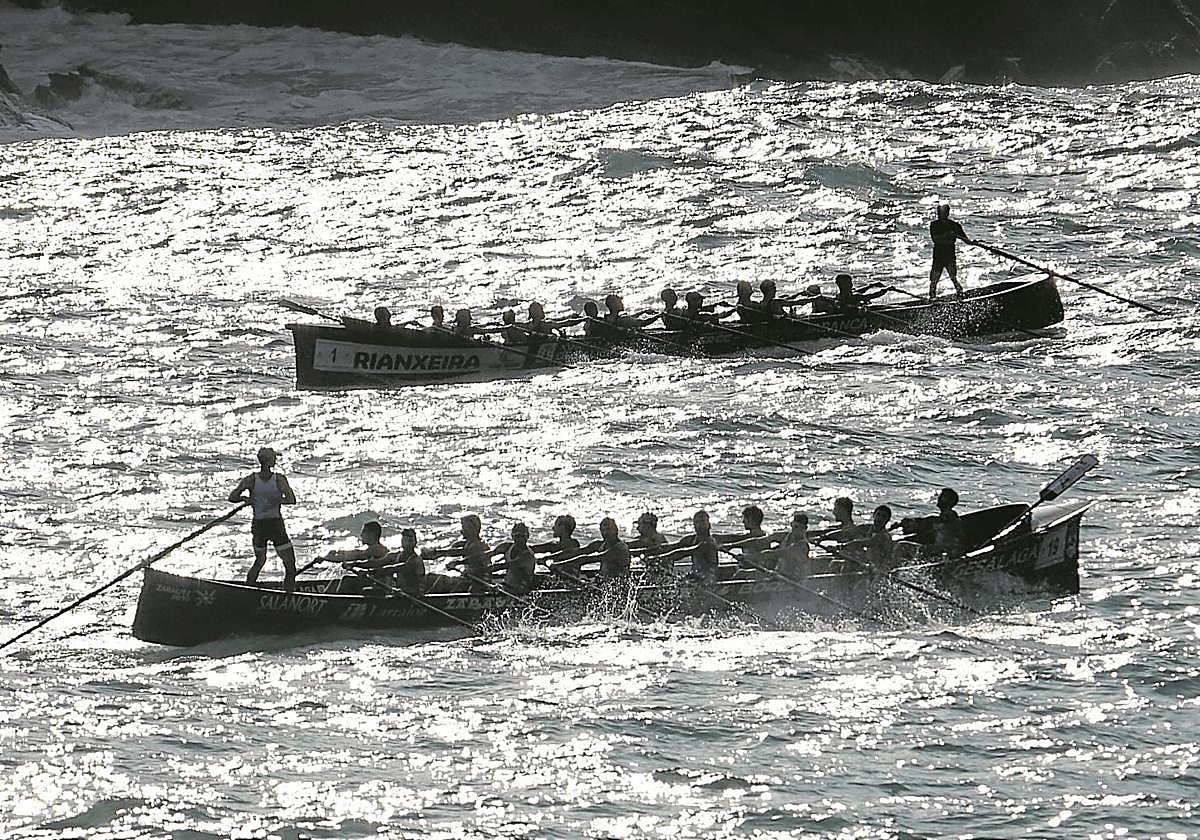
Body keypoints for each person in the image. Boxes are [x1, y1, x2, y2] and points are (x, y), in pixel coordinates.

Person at [228, 446, 298, 593]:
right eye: (274, 458)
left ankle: (247, 591)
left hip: (259, 525)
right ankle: (289, 596)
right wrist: (278, 500)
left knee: (260, 561)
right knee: (290, 565)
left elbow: (232, 497)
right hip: (275, 526)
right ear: (271, 461)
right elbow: (291, 500)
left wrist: (246, 499)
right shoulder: (279, 479)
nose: (276, 460)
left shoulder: (250, 480)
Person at [654, 510, 721, 584]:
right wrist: (655, 554)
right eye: (697, 522)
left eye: (702, 521)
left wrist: (662, 558)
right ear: (694, 526)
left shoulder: (707, 543)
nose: (699, 525)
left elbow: (683, 553)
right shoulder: (690, 539)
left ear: (709, 525)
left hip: (708, 580)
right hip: (696, 576)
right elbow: (672, 547)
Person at [929, 203, 972, 298]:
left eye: (943, 213)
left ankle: (959, 293)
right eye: (939, 213)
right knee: (934, 280)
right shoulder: (934, 225)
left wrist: (973, 242)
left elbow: (966, 240)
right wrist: (947, 235)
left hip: (949, 254)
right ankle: (932, 297)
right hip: (938, 255)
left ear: (947, 213)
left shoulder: (955, 226)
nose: (941, 215)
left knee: (953, 277)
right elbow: (935, 239)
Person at [442, 514, 493, 592]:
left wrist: (457, 563)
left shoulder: (479, 546)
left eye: (464, 528)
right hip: (469, 579)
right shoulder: (466, 543)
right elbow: (454, 551)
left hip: (480, 583)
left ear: (473, 529)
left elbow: (486, 569)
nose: (461, 531)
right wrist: (438, 553)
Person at [842, 505, 897, 572]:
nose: (880, 518)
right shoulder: (868, 528)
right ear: (874, 515)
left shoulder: (883, 536)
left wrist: (841, 546)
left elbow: (863, 543)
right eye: (878, 515)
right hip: (867, 564)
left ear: (888, 520)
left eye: (884, 516)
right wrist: (826, 535)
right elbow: (847, 532)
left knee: (840, 564)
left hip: (878, 569)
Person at [491, 522, 537, 595]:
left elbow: (506, 566)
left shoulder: (528, 556)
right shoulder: (506, 547)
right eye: (517, 536)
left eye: (523, 536)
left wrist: (484, 569)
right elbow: (489, 554)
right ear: (512, 536)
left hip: (520, 591)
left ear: (527, 536)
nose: (520, 539)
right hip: (507, 586)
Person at [389, 528, 427, 595]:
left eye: (410, 540)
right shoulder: (397, 555)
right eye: (405, 539)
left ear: (415, 542)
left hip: (413, 595)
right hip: (400, 593)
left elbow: (400, 568)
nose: (407, 542)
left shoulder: (416, 559)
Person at [932, 487, 966, 557]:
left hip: (948, 549)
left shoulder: (949, 515)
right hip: (943, 548)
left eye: (943, 496)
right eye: (940, 495)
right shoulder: (946, 515)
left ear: (950, 501)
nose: (939, 498)